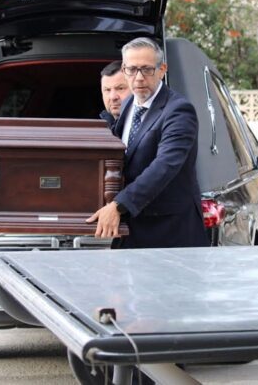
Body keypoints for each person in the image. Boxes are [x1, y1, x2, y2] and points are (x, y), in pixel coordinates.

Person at [86, 37, 209, 249]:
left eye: (147, 69)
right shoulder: (129, 105)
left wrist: (118, 205)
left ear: (162, 70)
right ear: (124, 70)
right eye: (132, 70)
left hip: (170, 233)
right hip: (132, 231)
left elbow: (164, 166)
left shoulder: (179, 111)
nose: (139, 77)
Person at [99, 60, 131, 130]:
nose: (113, 97)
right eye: (107, 90)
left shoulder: (150, 125)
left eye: (120, 88)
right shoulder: (96, 129)